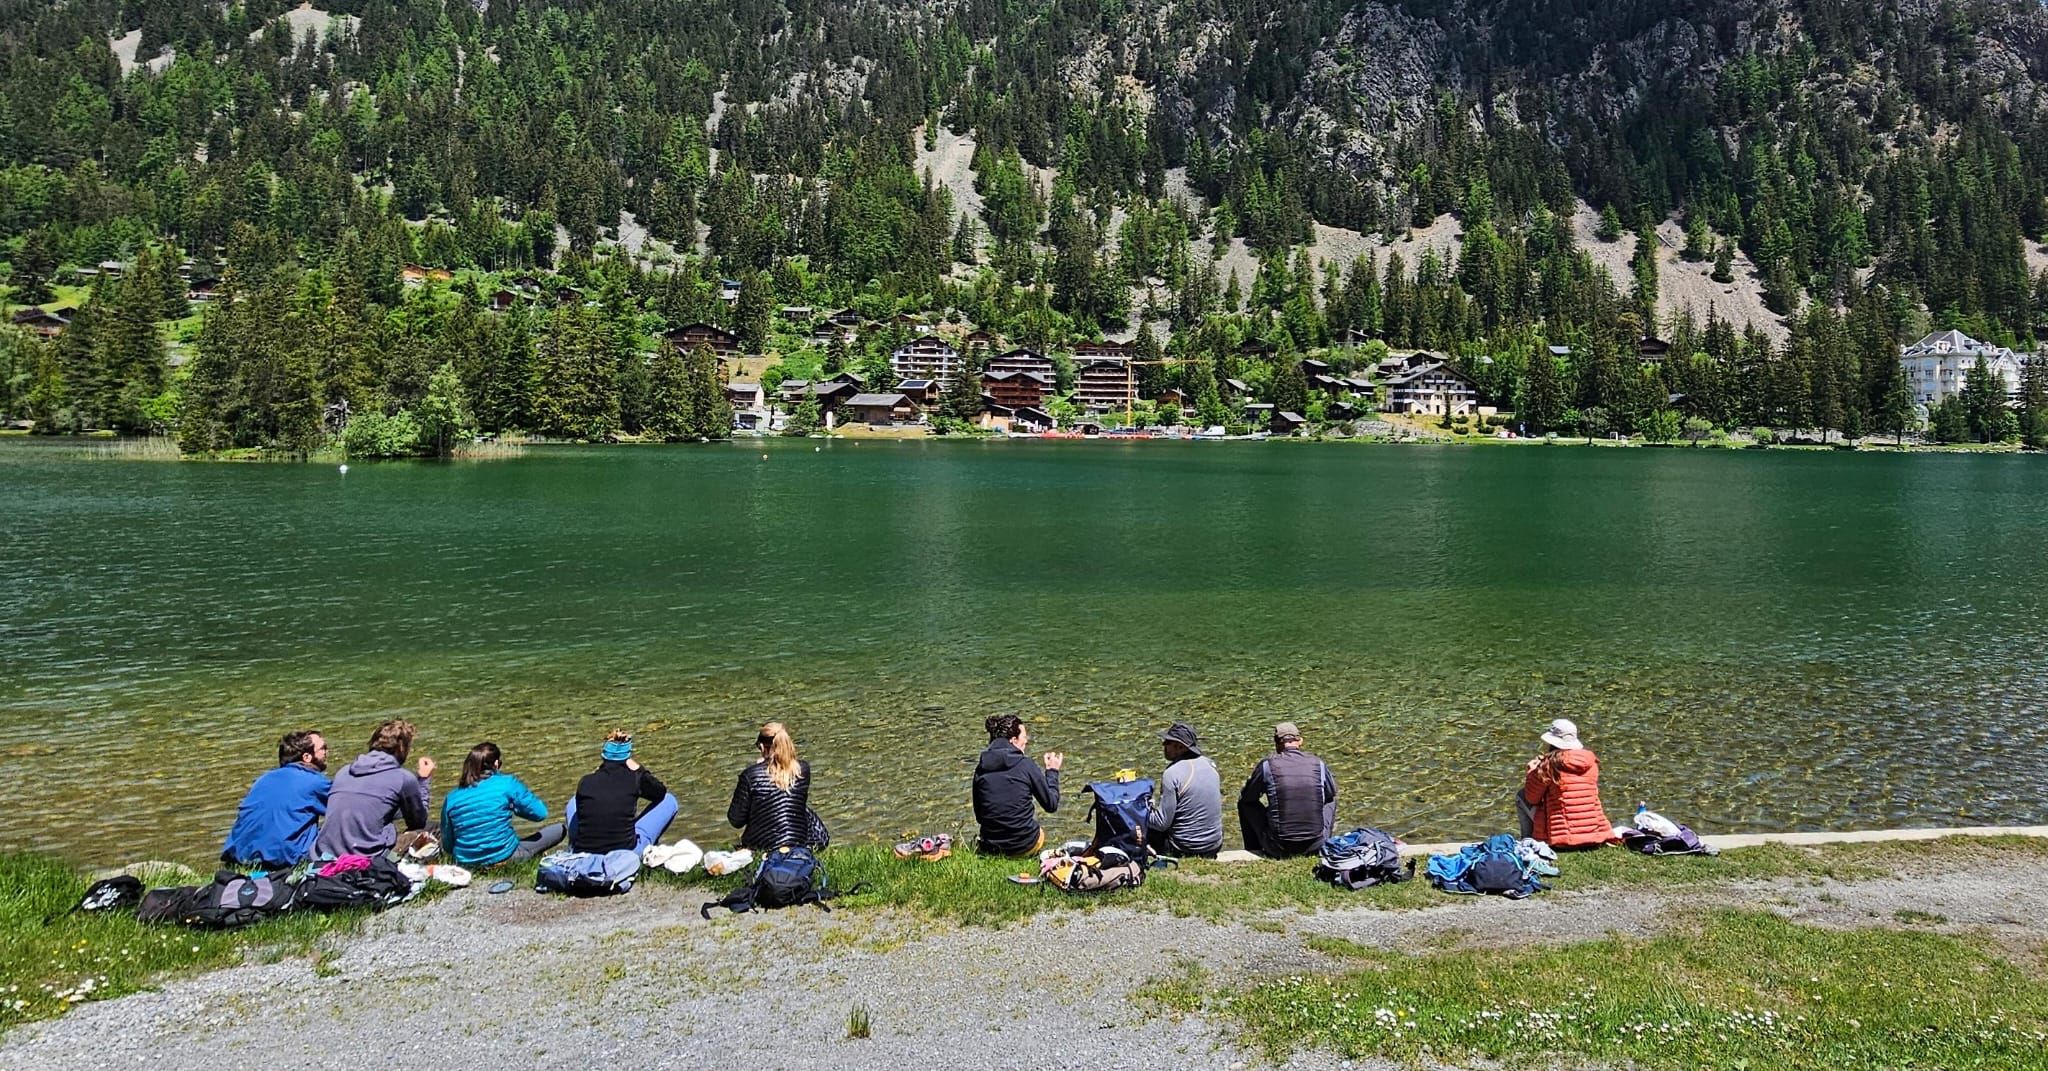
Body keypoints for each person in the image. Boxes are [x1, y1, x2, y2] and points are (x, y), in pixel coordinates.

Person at [315, 719, 434, 858]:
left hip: (325, 855)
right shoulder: (403, 778)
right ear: (402, 748)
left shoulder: (344, 772)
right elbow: (418, 821)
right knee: (432, 829)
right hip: (366, 857)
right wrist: (424, 780)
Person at [439, 742, 564, 866]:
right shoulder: (507, 784)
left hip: (466, 862)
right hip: (505, 856)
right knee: (560, 829)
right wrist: (515, 807)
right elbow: (540, 813)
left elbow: (448, 845)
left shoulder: (451, 798)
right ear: (496, 764)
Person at [221, 729, 331, 871]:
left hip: (239, 857)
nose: (327, 753)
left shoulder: (263, 779)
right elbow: (346, 809)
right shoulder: (315, 782)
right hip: (283, 861)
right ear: (307, 757)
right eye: (323, 748)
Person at [566, 730, 678, 854]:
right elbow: (660, 792)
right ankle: (649, 851)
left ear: (603, 756)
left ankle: (573, 846)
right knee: (669, 800)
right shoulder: (635, 779)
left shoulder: (585, 782)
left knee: (573, 802)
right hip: (626, 852)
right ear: (628, 758)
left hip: (585, 852)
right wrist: (639, 769)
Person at [1237, 722, 1336, 858]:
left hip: (1279, 847)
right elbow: (1331, 793)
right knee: (1330, 801)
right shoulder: (1318, 763)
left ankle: (1254, 849)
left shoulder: (1267, 765)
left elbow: (1248, 797)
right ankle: (1323, 842)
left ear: (1277, 743)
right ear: (1300, 741)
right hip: (1315, 845)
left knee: (1244, 803)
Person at [972, 715, 1063, 856]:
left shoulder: (981, 768)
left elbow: (979, 816)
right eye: (1024, 737)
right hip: (1023, 845)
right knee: (1040, 833)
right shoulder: (1025, 765)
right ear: (1013, 740)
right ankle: (1027, 856)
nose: (1026, 741)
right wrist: (1052, 772)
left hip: (990, 847)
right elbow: (1051, 804)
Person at [1518, 718, 1615, 849]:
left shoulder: (1548, 766)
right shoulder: (1591, 763)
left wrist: (1532, 772)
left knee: (1521, 796)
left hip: (1563, 840)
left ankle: (1527, 843)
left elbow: (1532, 798)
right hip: (1595, 836)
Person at [728, 722, 823, 850]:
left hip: (762, 845)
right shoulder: (803, 769)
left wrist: (755, 768)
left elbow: (736, 820)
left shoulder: (751, 775)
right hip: (798, 841)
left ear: (762, 747)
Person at [1147, 721, 1222, 858]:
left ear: (1181, 747)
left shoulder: (1172, 773)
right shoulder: (1210, 764)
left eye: (1168, 742)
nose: (1163, 745)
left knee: (1139, 819)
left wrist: (1142, 808)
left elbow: (1161, 823)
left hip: (1185, 848)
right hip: (1214, 845)